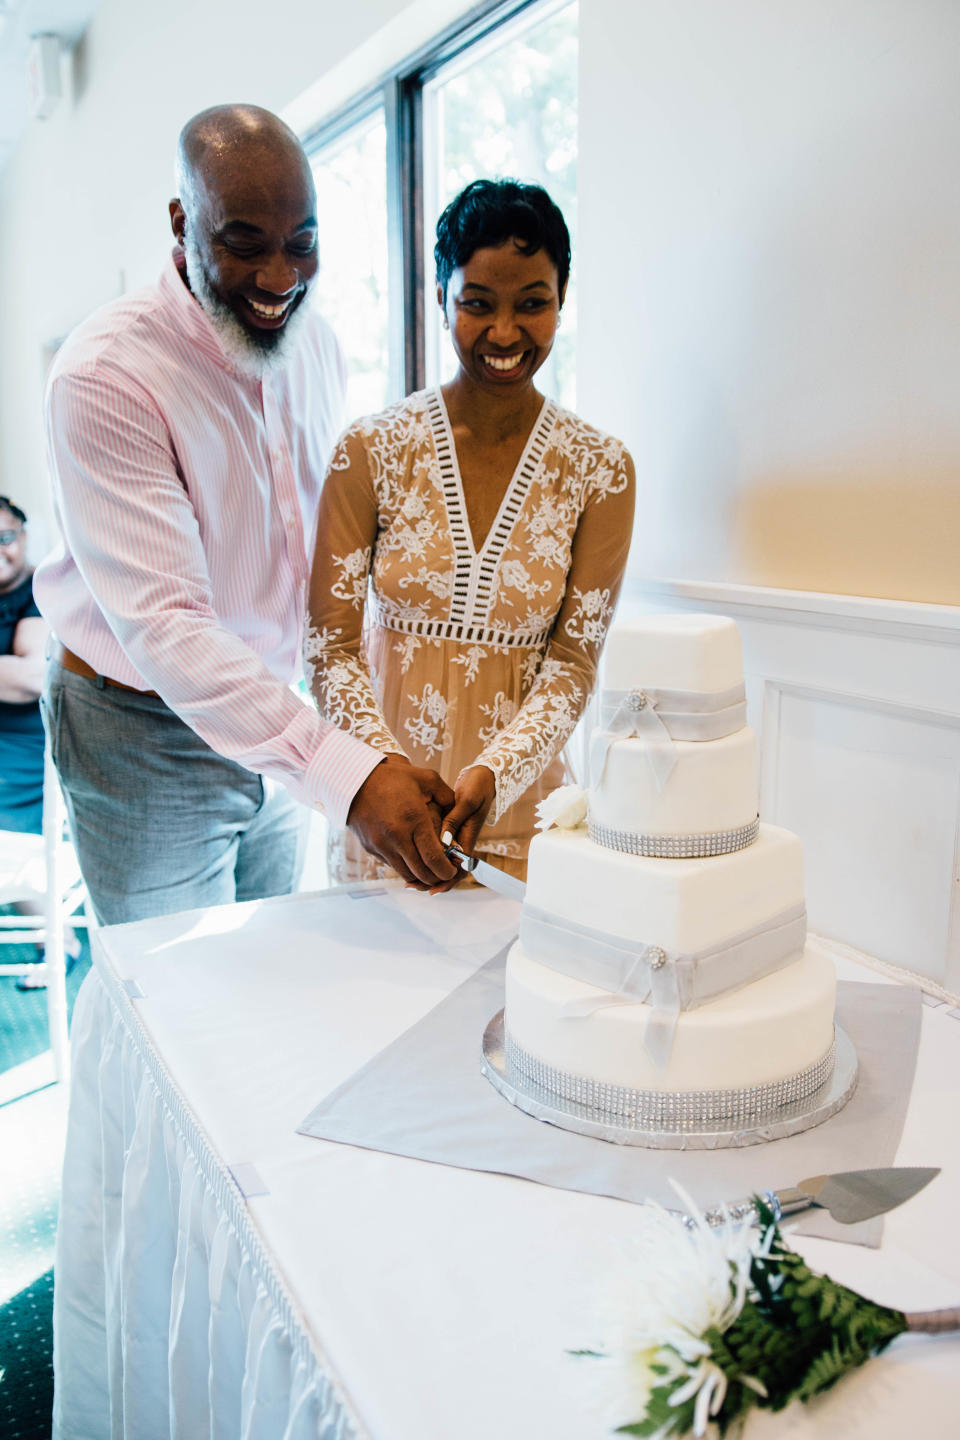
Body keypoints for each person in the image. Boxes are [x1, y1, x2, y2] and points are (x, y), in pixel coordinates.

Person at [34, 104, 457, 926]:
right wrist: (345, 769)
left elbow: (322, 555)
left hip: (275, 713)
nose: (279, 277)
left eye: (302, 242)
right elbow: (166, 624)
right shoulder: (103, 376)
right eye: (244, 242)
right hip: (139, 725)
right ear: (181, 222)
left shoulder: (319, 346)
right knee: (174, 996)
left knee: (264, 971)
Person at [305, 179, 635, 885]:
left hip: (525, 820)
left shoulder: (601, 471)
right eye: (478, 304)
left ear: (563, 297)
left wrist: (498, 771)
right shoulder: (369, 451)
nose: (506, 332)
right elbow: (330, 647)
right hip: (382, 813)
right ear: (440, 297)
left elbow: (574, 662)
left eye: (533, 304)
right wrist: (382, 771)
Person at [0, 497, 46, 836]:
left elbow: (33, 677)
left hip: (21, 757)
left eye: (5, 538)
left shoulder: (42, 590)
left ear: (24, 536)